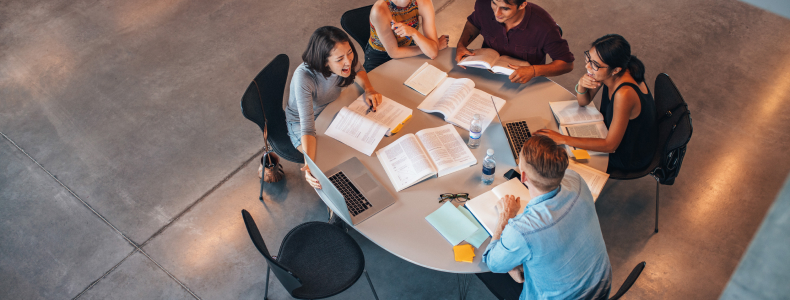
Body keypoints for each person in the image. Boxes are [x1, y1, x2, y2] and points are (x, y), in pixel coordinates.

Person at [477, 135, 612, 300]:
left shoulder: (522, 230)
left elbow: (493, 262)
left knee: (486, 271)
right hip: (602, 288)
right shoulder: (576, 180)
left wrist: (505, 217)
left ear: (524, 177)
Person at [535, 34, 657, 172]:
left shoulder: (624, 93)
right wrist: (581, 85)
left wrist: (563, 139)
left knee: (563, 158)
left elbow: (610, 146)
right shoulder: (612, 70)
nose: (587, 66)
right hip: (613, 134)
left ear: (615, 70)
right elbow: (583, 101)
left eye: (594, 64)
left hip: (629, 153)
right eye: (589, 58)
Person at [284, 26, 382, 190]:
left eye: (349, 53)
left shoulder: (345, 57)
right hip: (303, 122)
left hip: (331, 109)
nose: (348, 61)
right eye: (339, 59)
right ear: (324, 61)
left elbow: (358, 69)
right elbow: (307, 128)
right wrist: (310, 166)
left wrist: (369, 89)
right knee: (327, 162)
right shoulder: (304, 77)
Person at [455, 0, 574, 84]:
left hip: (524, 82)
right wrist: (461, 45)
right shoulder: (484, 4)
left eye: (505, 8)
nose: (497, 13)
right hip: (486, 75)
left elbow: (566, 64)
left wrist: (533, 71)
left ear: (522, 5)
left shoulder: (544, 27)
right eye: (494, 3)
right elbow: (474, 23)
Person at [364, 0, 449, 72]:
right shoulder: (379, 10)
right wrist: (428, 47)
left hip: (408, 47)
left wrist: (414, 33)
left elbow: (432, 53)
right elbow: (394, 53)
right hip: (379, 57)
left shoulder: (424, 2)